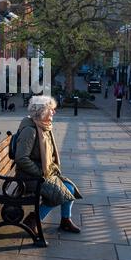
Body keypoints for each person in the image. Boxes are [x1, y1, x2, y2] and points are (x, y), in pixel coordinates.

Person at [15, 95, 82, 240]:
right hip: (29, 176)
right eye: (51, 109)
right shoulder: (30, 130)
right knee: (60, 193)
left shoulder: (43, 126)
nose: (54, 112)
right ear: (42, 111)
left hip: (43, 172)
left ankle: (65, 220)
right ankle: (33, 220)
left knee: (68, 188)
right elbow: (21, 158)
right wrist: (40, 172)